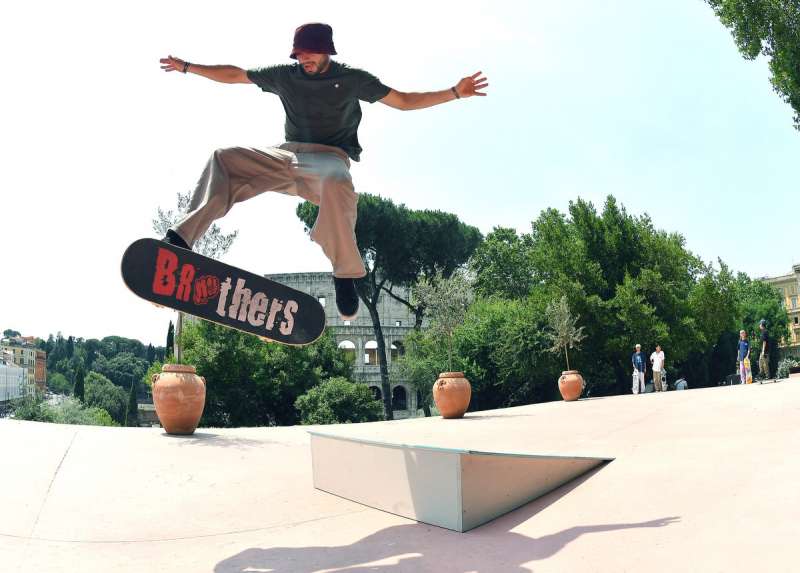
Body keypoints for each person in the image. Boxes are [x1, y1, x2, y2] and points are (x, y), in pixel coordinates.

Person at [158, 23, 489, 320]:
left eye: (309, 55)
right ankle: (181, 238)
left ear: (327, 50)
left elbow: (402, 100)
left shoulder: (352, 79)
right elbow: (236, 75)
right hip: (285, 155)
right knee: (224, 158)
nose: (304, 61)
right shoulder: (285, 75)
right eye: (298, 56)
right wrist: (188, 67)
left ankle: (346, 274)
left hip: (329, 159)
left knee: (336, 178)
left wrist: (455, 92)